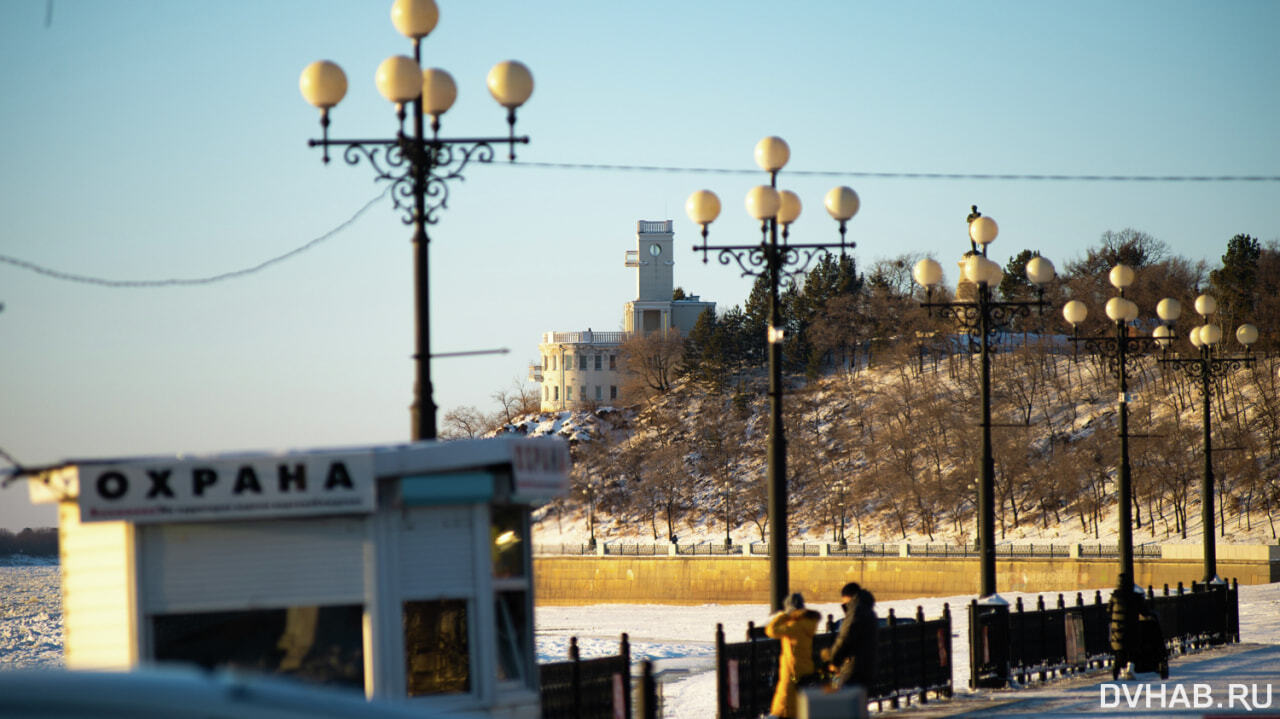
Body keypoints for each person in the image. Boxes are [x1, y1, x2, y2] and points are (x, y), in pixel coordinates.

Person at [764, 592, 822, 719]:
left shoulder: (794, 626)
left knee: (786, 703)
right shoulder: (807, 623)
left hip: (792, 670)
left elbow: (771, 630)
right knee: (796, 702)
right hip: (804, 667)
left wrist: (783, 615)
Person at [824, 583, 878, 692]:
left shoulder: (855, 611)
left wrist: (833, 659)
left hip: (853, 668)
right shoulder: (868, 610)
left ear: (846, 597)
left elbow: (844, 637)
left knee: (844, 702)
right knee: (856, 704)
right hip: (867, 666)